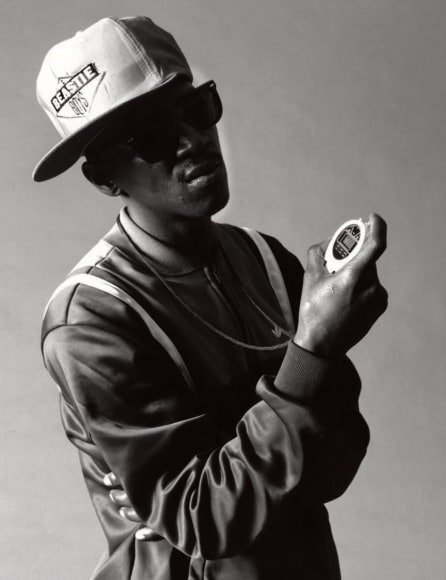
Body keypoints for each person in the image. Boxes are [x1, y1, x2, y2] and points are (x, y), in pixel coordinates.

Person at [34, 16, 388, 580]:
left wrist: (307, 378)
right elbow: (204, 520)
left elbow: (337, 460)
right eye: (152, 135)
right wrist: (312, 355)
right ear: (104, 178)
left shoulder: (266, 260)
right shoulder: (90, 322)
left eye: (196, 109)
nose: (192, 140)